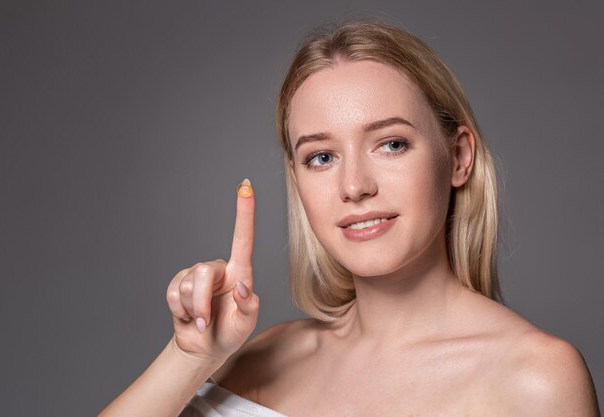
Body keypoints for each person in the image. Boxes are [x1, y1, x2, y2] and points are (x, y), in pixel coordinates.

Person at [99, 19, 601, 417]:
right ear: (297, 179)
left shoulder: (536, 377)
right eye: (321, 157)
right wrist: (189, 358)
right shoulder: (266, 354)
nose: (355, 186)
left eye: (392, 144)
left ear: (459, 157)